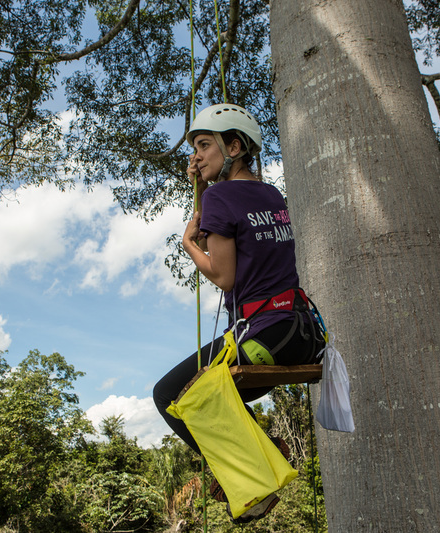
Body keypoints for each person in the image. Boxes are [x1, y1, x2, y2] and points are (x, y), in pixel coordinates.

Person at [152, 103, 325, 522]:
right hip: (300, 331)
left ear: (235, 146)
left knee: (168, 395)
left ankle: (255, 478)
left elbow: (225, 277)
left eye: (205, 145)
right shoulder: (271, 194)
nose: (196, 156)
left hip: (264, 334)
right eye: (194, 148)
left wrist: (190, 245)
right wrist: (201, 190)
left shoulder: (219, 197)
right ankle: (265, 453)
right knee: (207, 394)